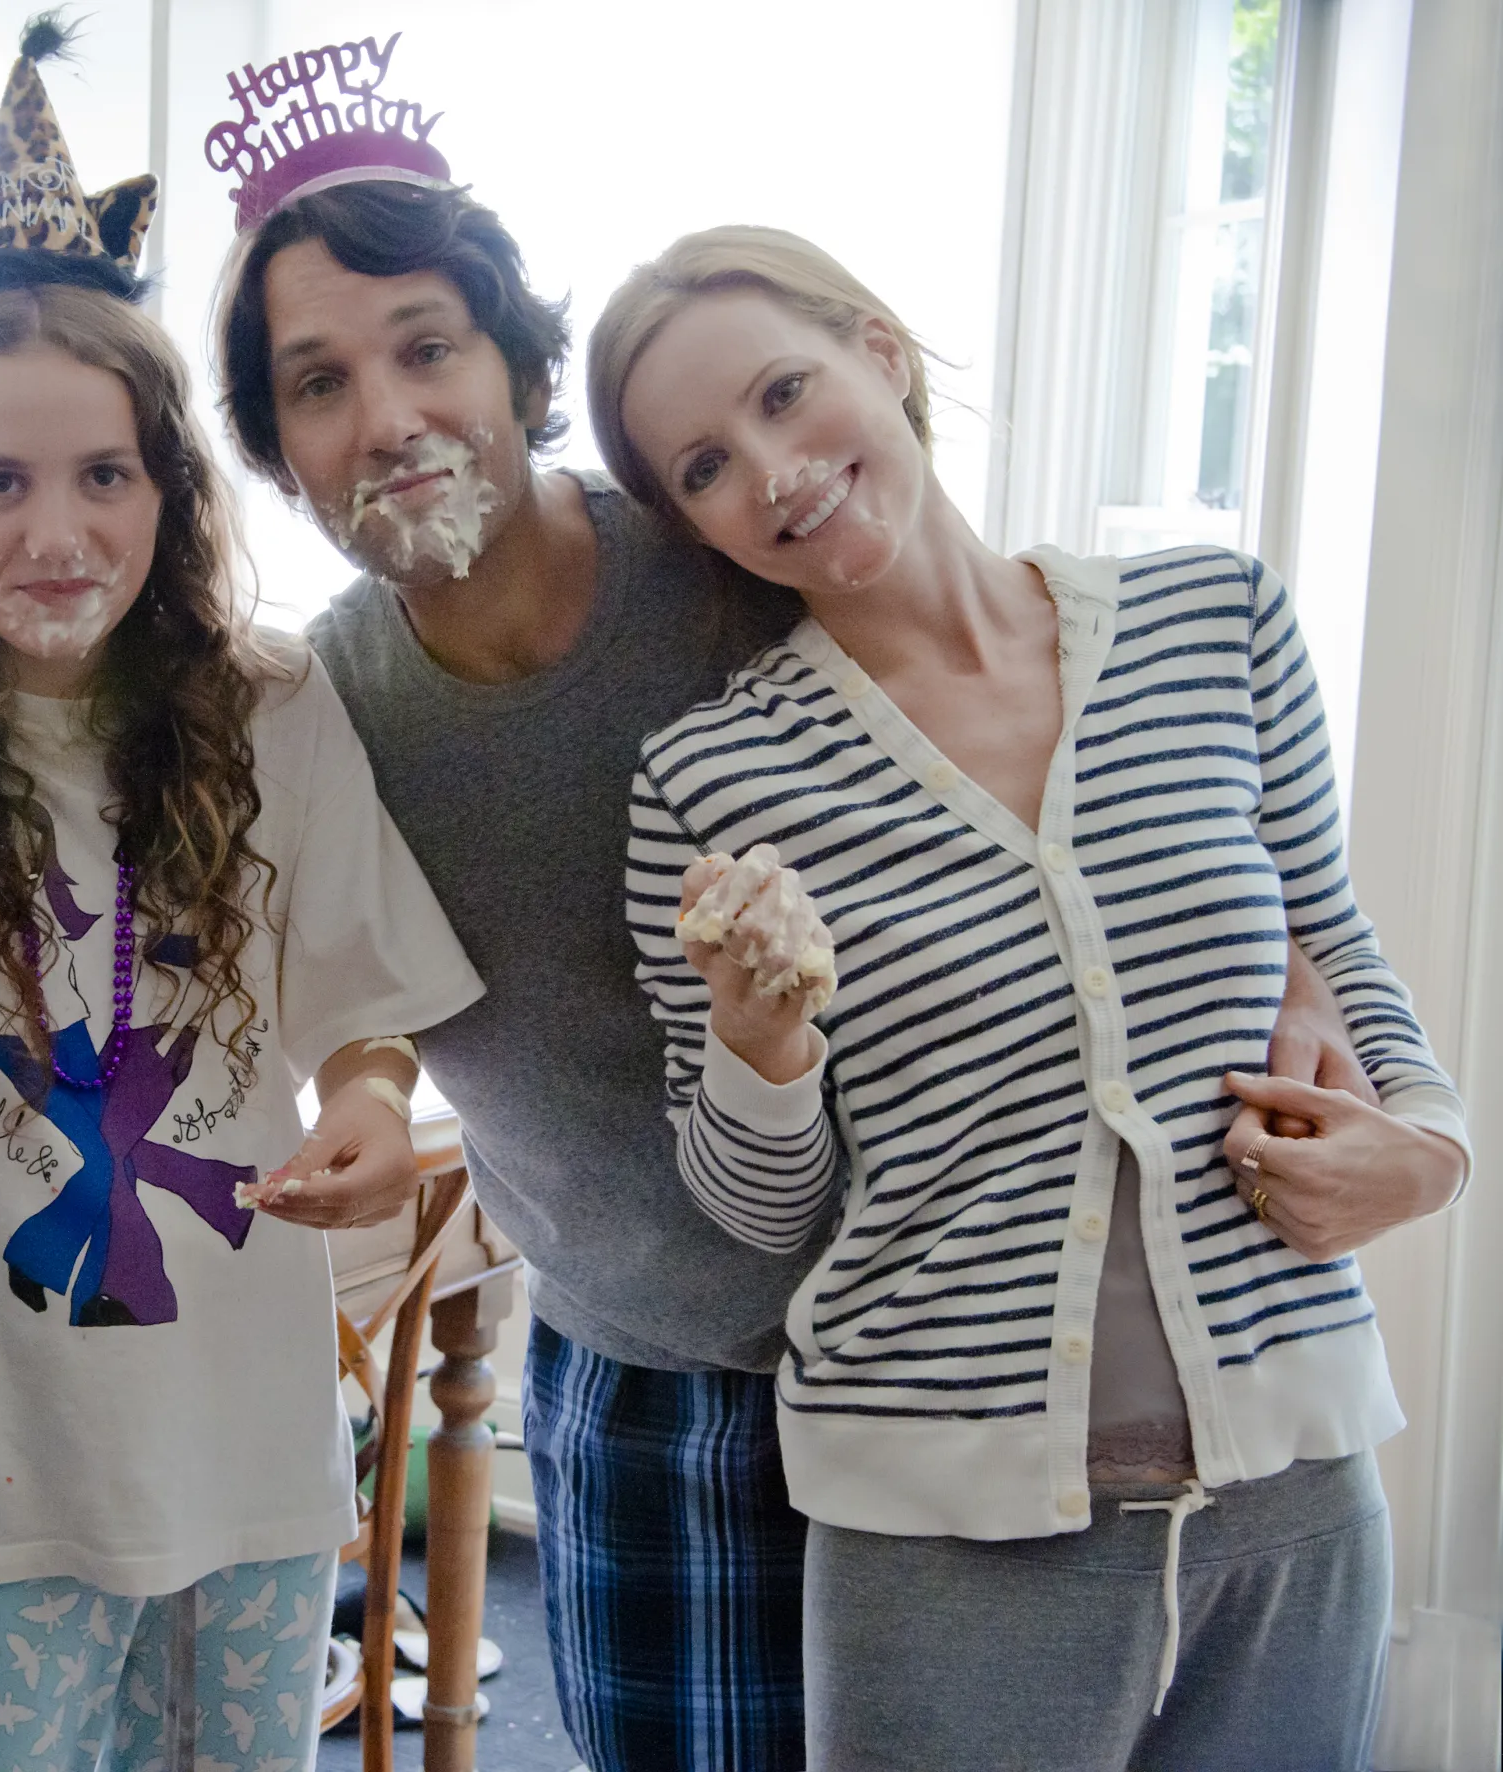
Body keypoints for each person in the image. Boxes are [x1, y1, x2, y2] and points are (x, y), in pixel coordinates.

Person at [203, 33, 1426, 1772]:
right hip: (655, 1374)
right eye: (318, 385)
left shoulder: (725, 551)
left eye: (427, 348)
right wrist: (370, 1094)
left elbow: (1047, 739)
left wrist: (1299, 960)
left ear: (515, 364)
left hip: (973, 1357)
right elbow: (353, 972)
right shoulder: (324, 712)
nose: (389, 419)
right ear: (277, 454)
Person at [595, 225, 1472, 1770]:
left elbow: (1339, 941)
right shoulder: (710, 782)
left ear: (883, 349)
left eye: (787, 392)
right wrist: (760, 1044)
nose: (774, 468)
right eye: (706, 467)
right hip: (941, 1533)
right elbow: (759, 1210)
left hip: (1296, 1487)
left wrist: (1430, 1148)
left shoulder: (1218, 625)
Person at [0, 24, 483, 1769]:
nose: (56, 530)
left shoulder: (267, 705)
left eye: (105, 477)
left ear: (171, 490)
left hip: (245, 1444)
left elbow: (361, 1006)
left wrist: (370, 1098)